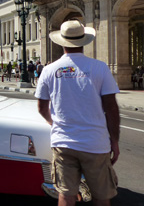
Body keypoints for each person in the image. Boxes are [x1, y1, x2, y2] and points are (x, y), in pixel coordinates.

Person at [35, 20, 120, 206]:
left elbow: (41, 107)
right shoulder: (100, 68)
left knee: (66, 195)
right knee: (101, 195)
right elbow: (111, 108)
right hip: (95, 143)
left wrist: (54, 123)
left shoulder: (49, 70)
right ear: (83, 41)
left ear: (62, 42)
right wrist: (114, 140)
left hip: (63, 142)